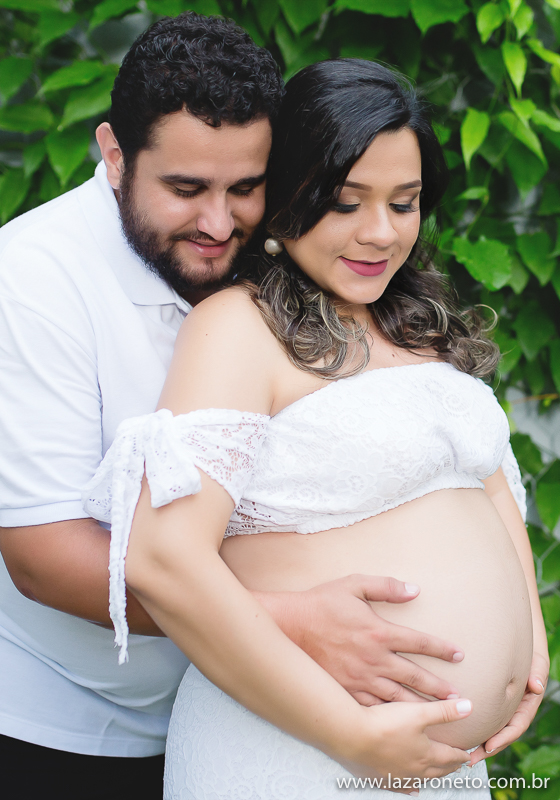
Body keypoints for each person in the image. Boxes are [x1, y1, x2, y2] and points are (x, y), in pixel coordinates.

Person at [0, 14, 477, 799]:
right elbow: (41, 558)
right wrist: (291, 620)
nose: (219, 224)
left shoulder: (281, 254)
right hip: (63, 726)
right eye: (185, 189)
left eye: (245, 188)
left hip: (239, 702)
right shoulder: (35, 278)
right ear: (114, 155)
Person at [84, 59, 549, 799]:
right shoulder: (238, 328)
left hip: (444, 766)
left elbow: (488, 489)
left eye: (405, 203)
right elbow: (164, 560)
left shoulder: (416, 326)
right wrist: (349, 736)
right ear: (287, 192)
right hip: (301, 746)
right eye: (344, 202)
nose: (380, 232)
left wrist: (529, 650)